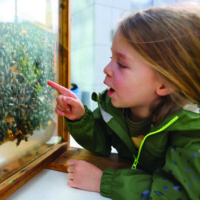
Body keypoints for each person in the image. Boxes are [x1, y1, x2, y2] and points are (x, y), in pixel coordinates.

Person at [47, 3, 200, 200]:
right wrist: (80, 118)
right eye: (111, 57)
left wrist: (104, 181)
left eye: (122, 63)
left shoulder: (191, 132)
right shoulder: (116, 108)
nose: (106, 69)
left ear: (164, 84)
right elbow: (100, 144)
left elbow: (179, 193)